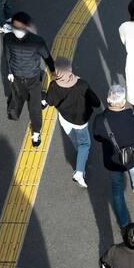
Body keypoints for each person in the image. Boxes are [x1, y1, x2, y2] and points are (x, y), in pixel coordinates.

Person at [93, 85, 134, 231]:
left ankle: (123, 222)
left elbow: (97, 137)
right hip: (132, 157)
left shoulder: (100, 120)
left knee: (117, 189)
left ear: (109, 101)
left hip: (112, 161)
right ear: (123, 102)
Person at [44, 57, 101, 187]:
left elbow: (50, 101)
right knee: (85, 144)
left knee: (76, 141)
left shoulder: (53, 85)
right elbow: (96, 102)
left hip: (64, 119)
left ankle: (82, 155)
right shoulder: (82, 85)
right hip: (80, 121)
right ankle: (79, 172)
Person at [3, 11, 56, 147]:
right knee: (22, 97)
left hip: (33, 78)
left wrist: (53, 71)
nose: (17, 31)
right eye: (15, 27)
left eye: (20, 28)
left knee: (34, 109)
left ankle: (36, 133)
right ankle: (42, 98)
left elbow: (47, 57)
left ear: (26, 27)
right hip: (16, 76)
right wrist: (9, 72)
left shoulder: (37, 41)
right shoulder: (7, 38)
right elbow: (7, 55)